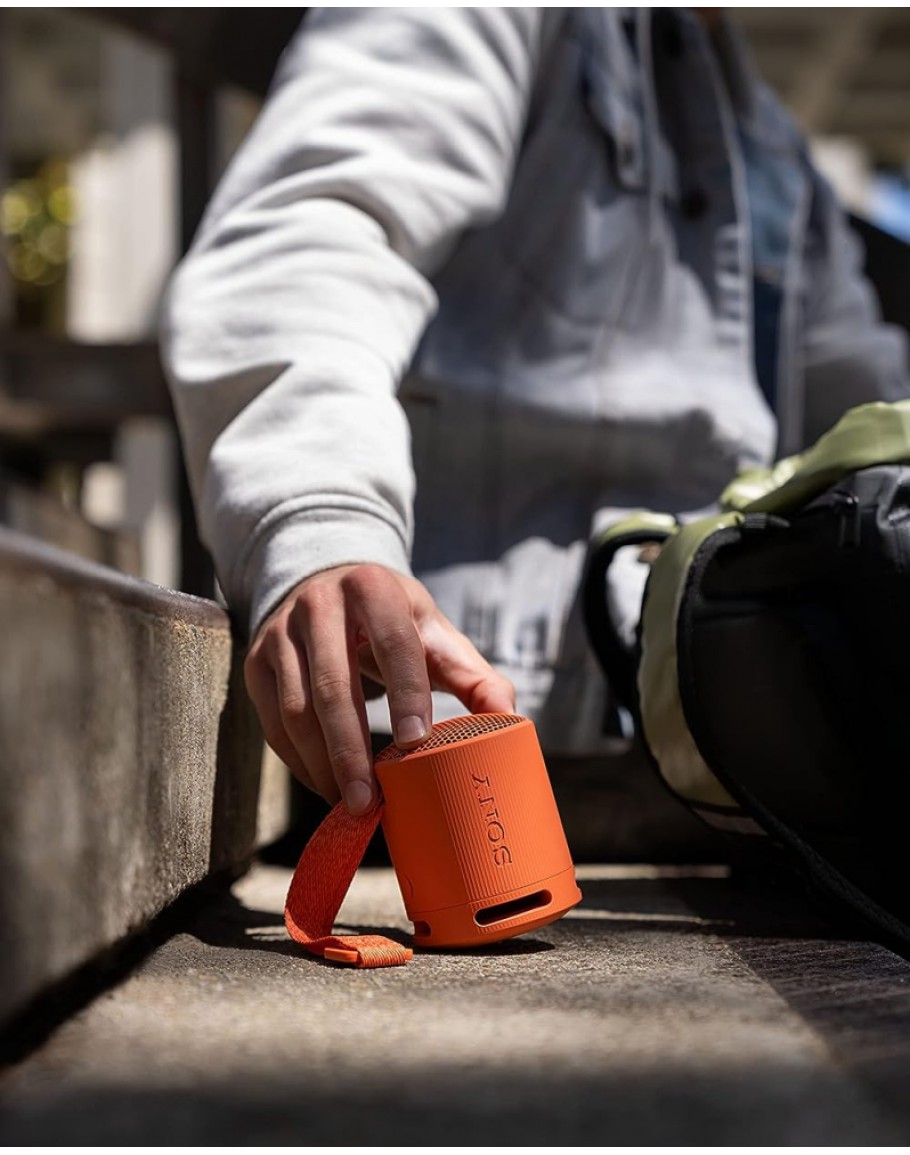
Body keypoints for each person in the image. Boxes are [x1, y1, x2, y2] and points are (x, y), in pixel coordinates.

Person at [161, 9, 909, 847]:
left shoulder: (765, 141)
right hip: (445, 761)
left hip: (710, 770)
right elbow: (314, 230)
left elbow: (869, 413)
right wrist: (321, 521)